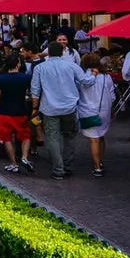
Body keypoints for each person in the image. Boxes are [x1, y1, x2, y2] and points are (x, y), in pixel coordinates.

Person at [29, 41, 97, 179]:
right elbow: (86, 81)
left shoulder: (40, 68)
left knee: (52, 138)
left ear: (48, 52)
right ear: (62, 52)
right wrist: (94, 74)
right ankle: (68, 165)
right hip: (69, 107)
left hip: (49, 108)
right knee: (69, 136)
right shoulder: (71, 66)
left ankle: (58, 169)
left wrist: (35, 107)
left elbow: (35, 91)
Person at [0, 52, 35, 173]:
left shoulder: (1, 78)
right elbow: (31, 92)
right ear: (18, 64)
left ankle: (13, 163)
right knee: (25, 136)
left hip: (5, 112)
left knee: (7, 139)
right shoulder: (26, 78)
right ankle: (25, 157)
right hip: (21, 110)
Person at [76, 52, 115, 177]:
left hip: (87, 111)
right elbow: (112, 95)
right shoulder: (106, 77)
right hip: (104, 110)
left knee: (94, 139)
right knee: (101, 136)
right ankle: (100, 161)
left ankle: (97, 167)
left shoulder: (82, 77)